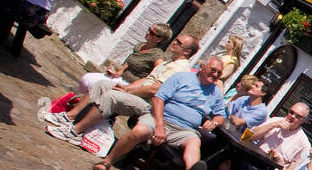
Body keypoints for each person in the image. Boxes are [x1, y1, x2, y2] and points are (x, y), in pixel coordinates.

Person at [87, 55, 227, 170]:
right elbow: (158, 98)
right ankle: (106, 163)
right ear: (202, 66)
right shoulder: (181, 78)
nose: (215, 75)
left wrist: (214, 122)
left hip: (185, 129)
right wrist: (160, 126)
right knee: (139, 132)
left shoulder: (215, 92)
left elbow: (221, 115)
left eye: (219, 73)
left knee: (194, 141)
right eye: (212, 70)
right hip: (160, 118)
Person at [48, 33, 199, 145]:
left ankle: (75, 132)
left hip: (149, 104)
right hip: (140, 95)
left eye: (178, 43)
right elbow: (147, 80)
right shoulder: (169, 62)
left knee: (112, 96)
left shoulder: (179, 67)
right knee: (102, 84)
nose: (174, 42)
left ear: (186, 52)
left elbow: (154, 89)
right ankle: (69, 117)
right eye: (176, 40)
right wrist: (126, 87)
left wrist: (127, 92)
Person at [72, 22, 173, 95]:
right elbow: (129, 62)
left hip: (129, 84)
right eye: (148, 29)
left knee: (94, 86)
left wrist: (132, 87)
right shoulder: (141, 46)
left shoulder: (157, 56)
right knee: (87, 79)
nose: (147, 33)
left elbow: (154, 76)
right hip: (120, 78)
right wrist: (117, 73)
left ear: (159, 39)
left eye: (151, 32)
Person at [246, 102, 311, 170]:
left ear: (303, 121)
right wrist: (273, 125)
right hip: (252, 158)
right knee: (228, 165)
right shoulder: (275, 121)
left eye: (298, 116)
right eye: (291, 112)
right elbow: (251, 137)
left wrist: (279, 161)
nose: (292, 116)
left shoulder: (304, 144)